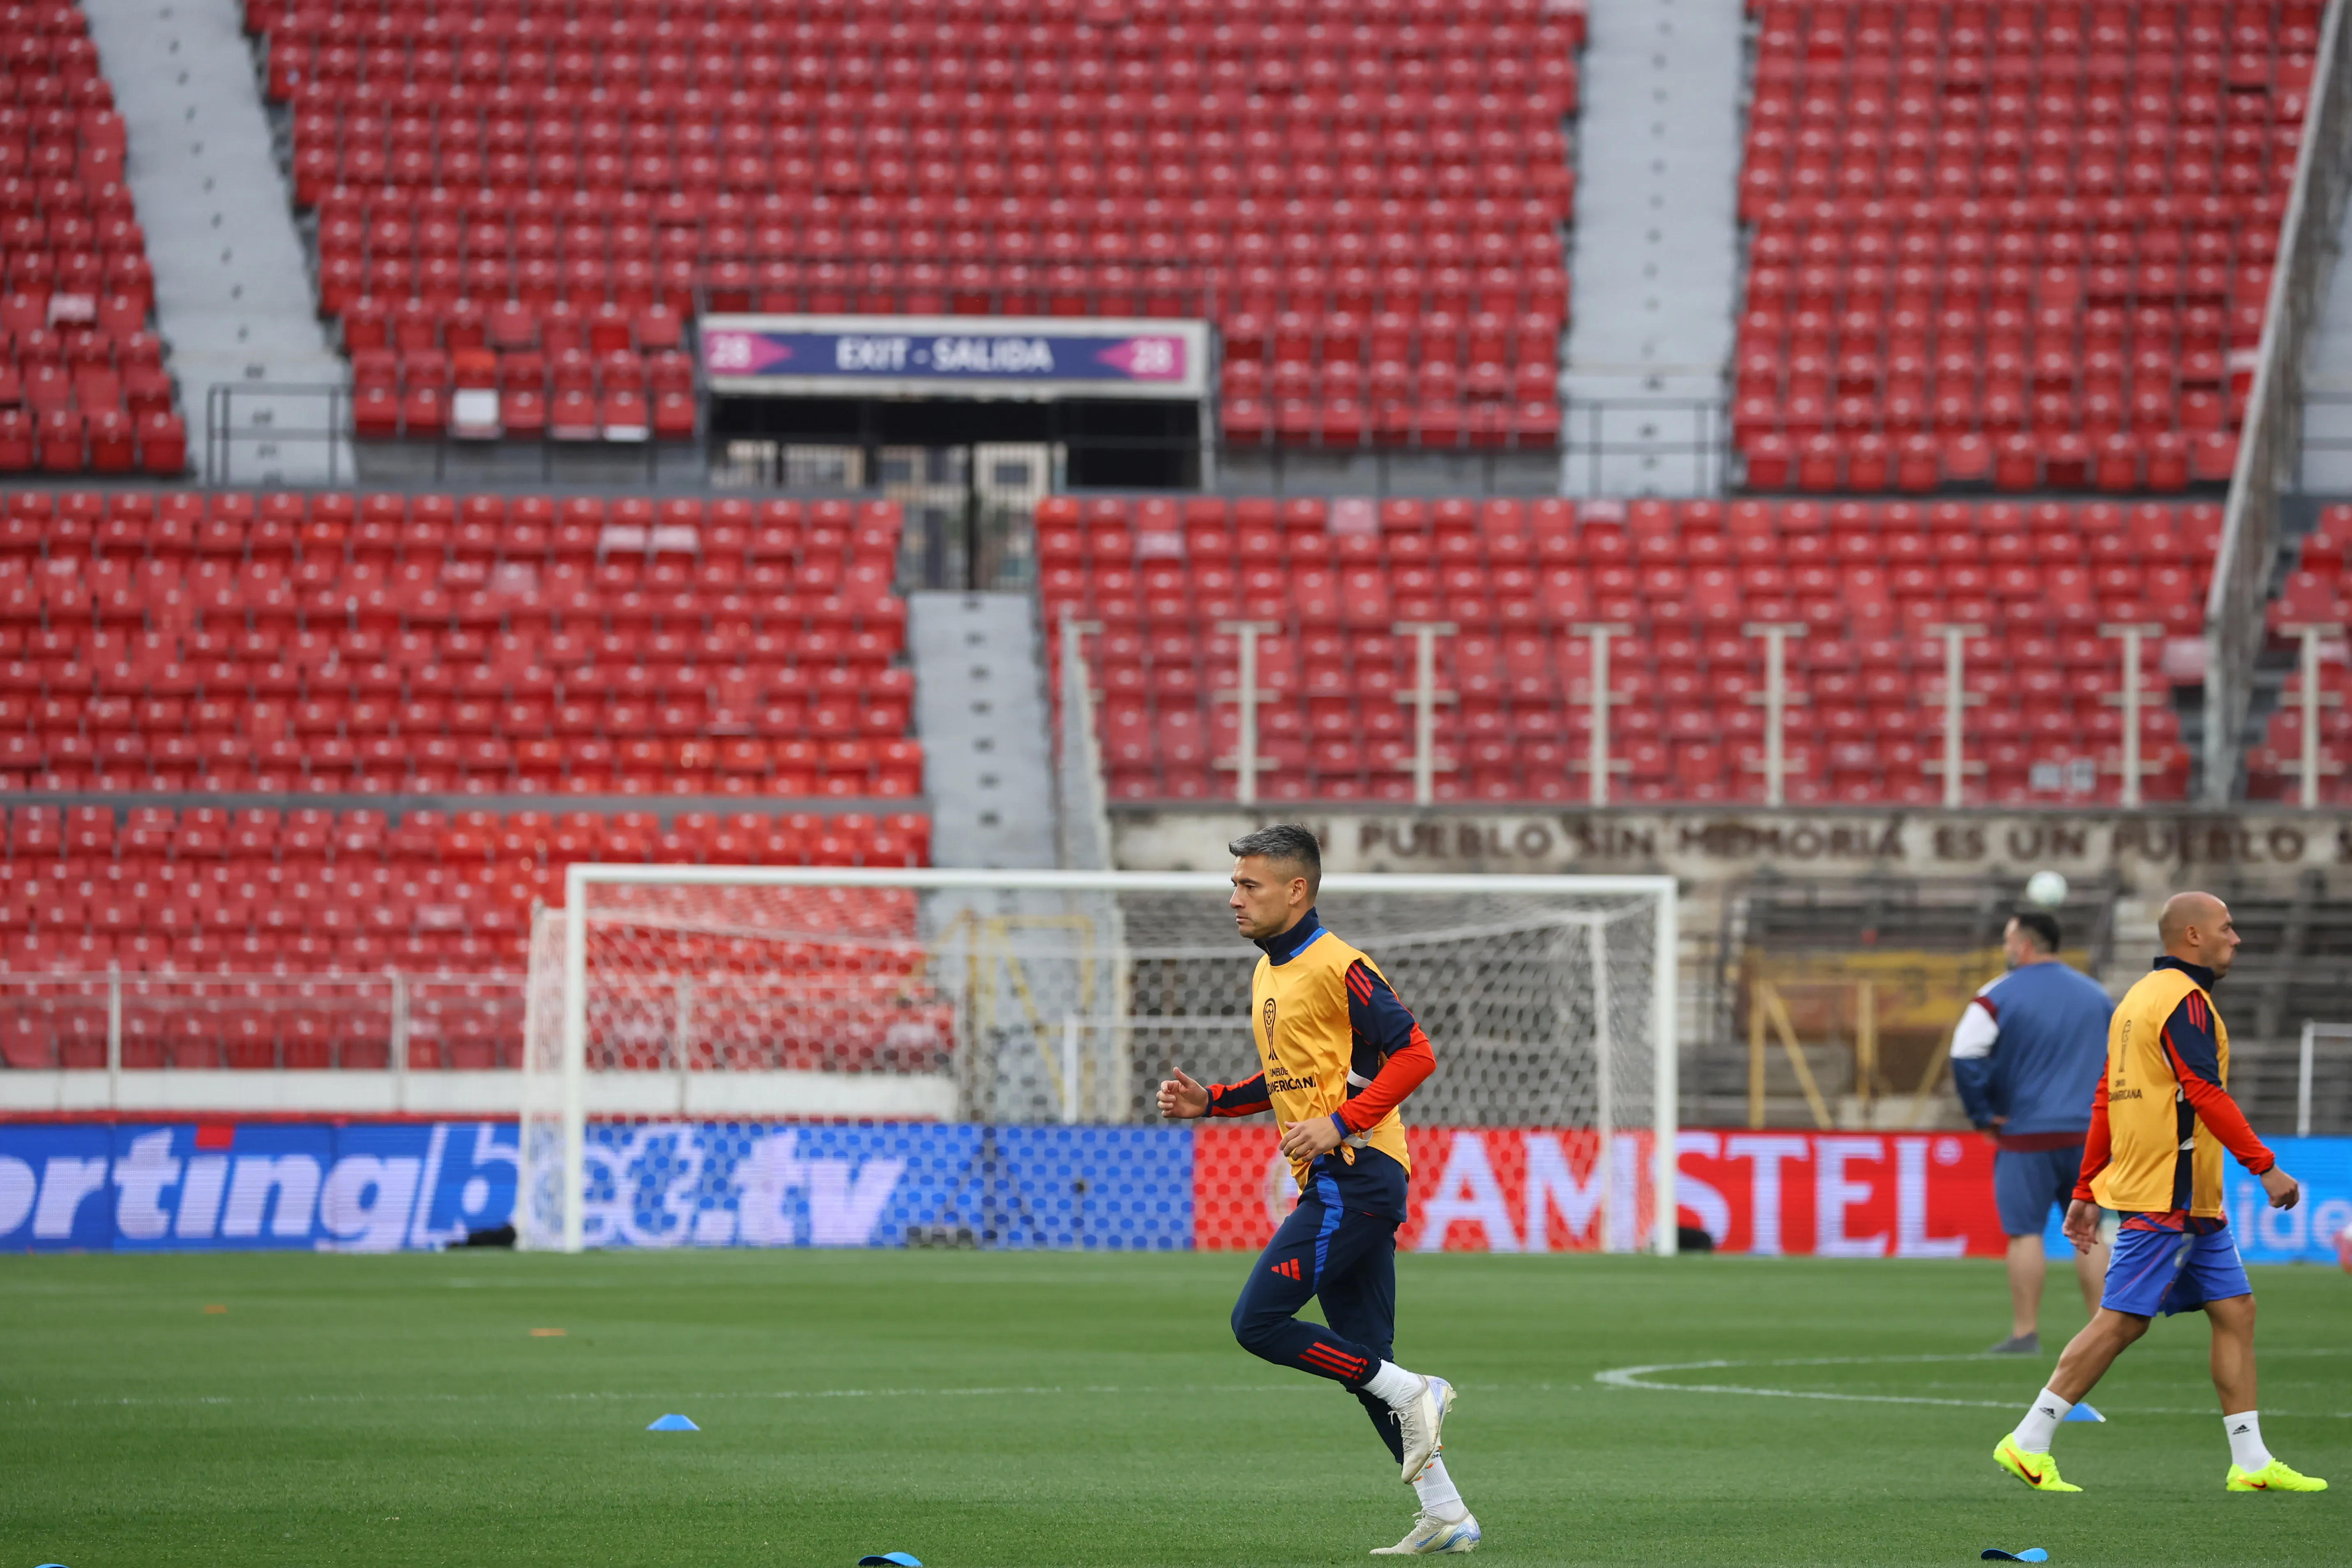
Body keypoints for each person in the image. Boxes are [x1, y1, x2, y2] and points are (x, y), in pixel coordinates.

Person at [1157, 824, 1477, 1556]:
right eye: (1235, 883)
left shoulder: (1341, 965)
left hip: (1356, 1177)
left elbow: (1416, 1052)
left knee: (1259, 1323)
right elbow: (1287, 1081)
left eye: (1249, 885)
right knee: (1366, 1359)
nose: (1233, 897)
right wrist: (1213, 1101)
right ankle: (1447, 1511)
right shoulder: (1269, 972)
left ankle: (1416, 1389)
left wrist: (1341, 1123)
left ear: (1296, 890)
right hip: (1337, 1178)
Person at [1992, 892, 2327, 1494]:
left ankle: (2250, 1464)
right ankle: (2028, 1440)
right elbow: (2203, 1091)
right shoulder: (2184, 1003)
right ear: (2193, 936)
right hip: (2166, 1192)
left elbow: (2105, 1096)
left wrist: (2088, 1184)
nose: (2237, 938)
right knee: (2121, 1320)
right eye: (2228, 927)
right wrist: (2264, 1166)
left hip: (2189, 1197)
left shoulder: (2134, 1003)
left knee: (2235, 1310)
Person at [1949, 909, 2114, 1354]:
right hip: (2088, 1134)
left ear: (2023, 945)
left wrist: (1983, 1115)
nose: (2006, 949)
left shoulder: (1996, 995)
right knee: (2091, 1231)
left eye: (2007, 941)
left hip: (2025, 1134)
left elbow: (1964, 1055)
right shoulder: (2096, 996)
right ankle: (2106, 1334)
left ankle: (2025, 1333)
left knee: (2024, 1233)